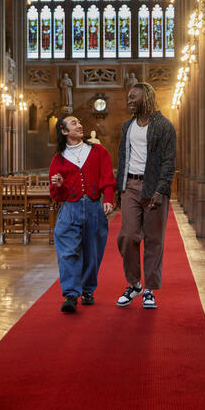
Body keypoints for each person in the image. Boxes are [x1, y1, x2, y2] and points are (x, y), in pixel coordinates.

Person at [115, 82, 176, 309]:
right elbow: (122, 157)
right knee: (128, 236)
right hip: (130, 185)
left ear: (146, 98)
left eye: (133, 97)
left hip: (154, 187)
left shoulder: (164, 126)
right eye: (128, 97)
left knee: (153, 240)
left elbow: (169, 161)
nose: (128, 100)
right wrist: (118, 189)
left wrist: (160, 190)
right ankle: (134, 283)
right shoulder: (127, 126)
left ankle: (149, 289)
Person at [49, 115, 116, 313]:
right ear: (63, 131)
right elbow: (56, 195)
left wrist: (109, 200)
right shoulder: (58, 158)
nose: (79, 125)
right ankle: (70, 294)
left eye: (79, 122)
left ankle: (88, 290)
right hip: (70, 208)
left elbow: (107, 178)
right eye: (73, 123)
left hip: (94, 207)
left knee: (92, 252)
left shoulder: (97, 151)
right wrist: (58, 186)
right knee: (68, 252)